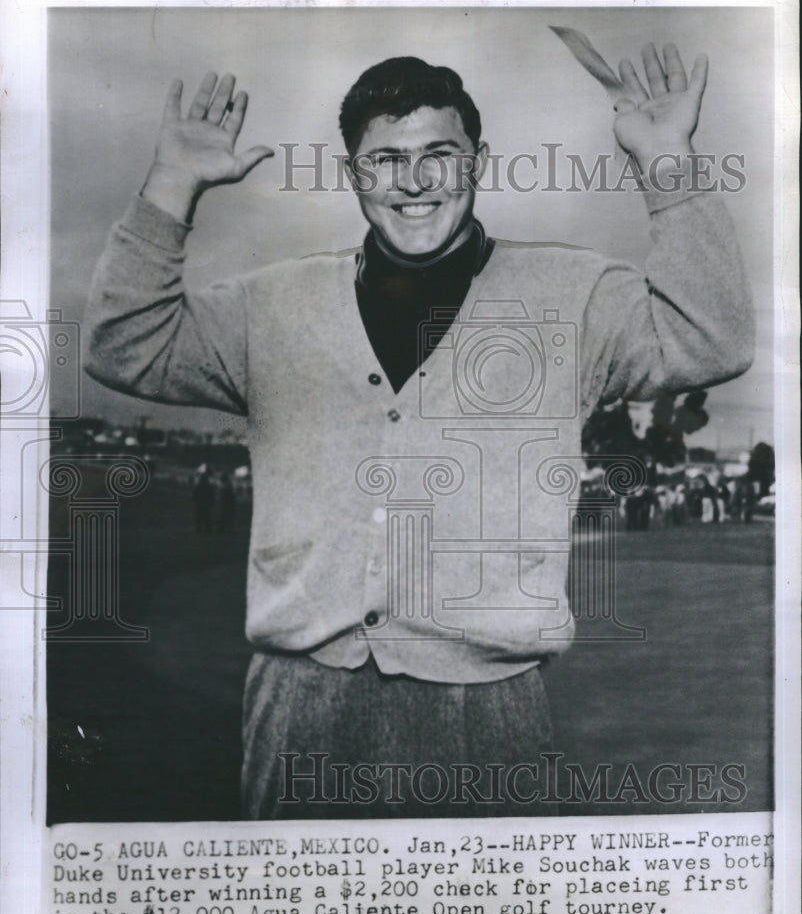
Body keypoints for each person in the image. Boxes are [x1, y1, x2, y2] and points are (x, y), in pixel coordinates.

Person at [84, 50, 753, 818]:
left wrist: (668, 161)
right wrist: (171, 188)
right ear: (353, 173)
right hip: (302, 703)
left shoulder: (574, 296)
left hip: (490, 711)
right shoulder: (271, 304)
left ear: (479, 163)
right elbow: (121, 341)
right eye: (387, 160)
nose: (414, 180)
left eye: (440, 155)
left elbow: (714, 338)